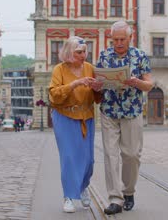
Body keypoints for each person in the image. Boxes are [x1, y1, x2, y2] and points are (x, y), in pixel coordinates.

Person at [91, 21, 154, 215]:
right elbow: (99, 82)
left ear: (130, 38)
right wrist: (97, 85)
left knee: (131, 155)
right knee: (110, 155)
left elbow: (149, 84)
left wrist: (136, 82)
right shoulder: (104, 56)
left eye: (122, 39)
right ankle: (115, 198)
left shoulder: (140, 56)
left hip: (132, 111)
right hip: (109, 110)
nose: (118, 43)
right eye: (115, 39)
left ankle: (128, 191)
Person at [49, 36, 101, 213]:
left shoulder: (90, 69)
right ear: (69, 52)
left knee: (88, 160)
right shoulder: (59, 70)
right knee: (69, 158)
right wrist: (75, 84)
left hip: (86, 117)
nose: (83, 55)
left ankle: (83, 186)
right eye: (79, 52)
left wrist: (98, 89)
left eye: (85, 51)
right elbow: (54, 95)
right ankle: (69, 196)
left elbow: (98, 99)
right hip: (64, 117)